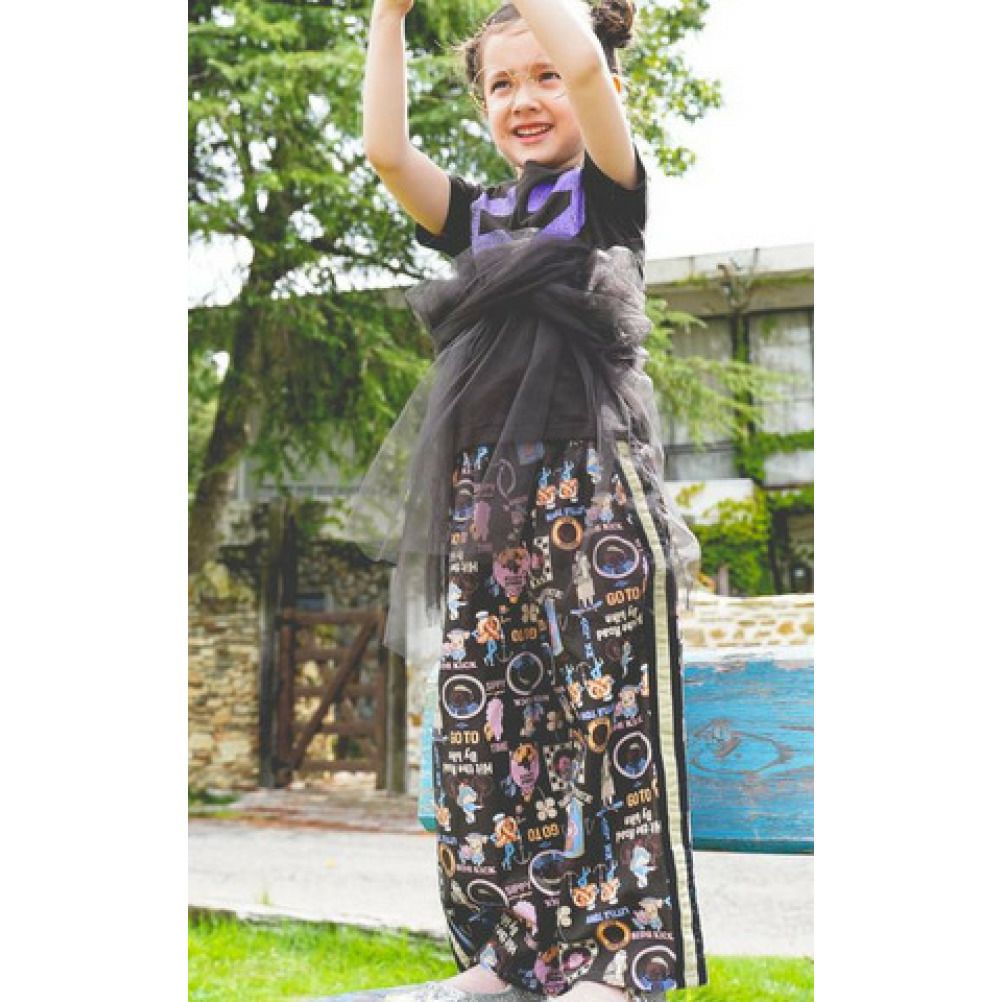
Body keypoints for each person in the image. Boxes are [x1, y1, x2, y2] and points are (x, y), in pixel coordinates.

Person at [340, 1, 707, 1000]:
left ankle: (624, 960)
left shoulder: (609, 195)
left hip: (593, 492)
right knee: (490, 725)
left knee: (607, 715)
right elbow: (385, 152)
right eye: (502, 84)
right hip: (486, 507)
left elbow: (586, 66)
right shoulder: (479, 218)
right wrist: (389, 14)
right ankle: (514, 952)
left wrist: (569, 58)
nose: (526, 98)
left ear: (601, 87)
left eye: (544, 76)